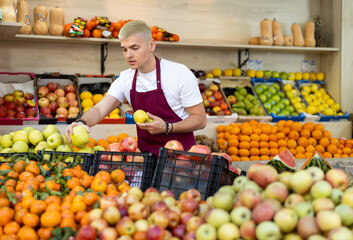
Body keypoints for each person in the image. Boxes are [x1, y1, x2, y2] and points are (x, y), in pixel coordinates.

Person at [66, 20, 206, 157]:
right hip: (147, 159)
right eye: (124, 50)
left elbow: (200, 119)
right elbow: (99, 109)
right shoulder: (126, 79)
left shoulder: (179, 73)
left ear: (151, 45)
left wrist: (168, 127)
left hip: (182, 160)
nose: (128, 55)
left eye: (134, 48)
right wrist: (80, 122)